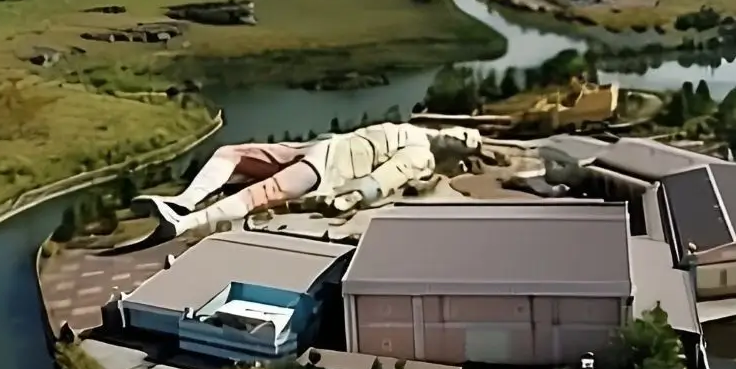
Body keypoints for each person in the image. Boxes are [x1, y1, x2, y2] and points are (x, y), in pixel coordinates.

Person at [135, 122, 483, 238]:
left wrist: (352, 196)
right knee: (231, 153)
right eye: (466, 133)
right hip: (320, 146)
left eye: (467, 143)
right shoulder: (416, 130)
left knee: (265, 192)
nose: (461, 137)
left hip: (330, 168)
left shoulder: (421, 155)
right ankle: (185, 201)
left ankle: (183, 223)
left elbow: (386, 177)